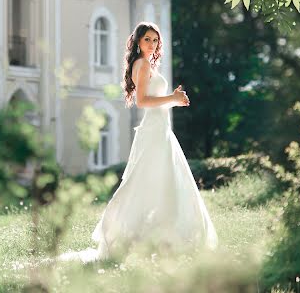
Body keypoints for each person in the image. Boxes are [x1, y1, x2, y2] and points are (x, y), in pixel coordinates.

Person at [89, 21, 219, 260]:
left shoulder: (148, 65)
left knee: (164, 179)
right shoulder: (141, 63)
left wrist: (175, 100)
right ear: (138, 42)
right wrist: (171, 96)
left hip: (162, 128)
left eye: (155, 40)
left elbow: (155, 101)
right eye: (147, 39)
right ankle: (137, 235)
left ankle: (167, 236)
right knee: (148, 179)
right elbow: (142, 102)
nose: (151, 44)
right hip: (153, 130)